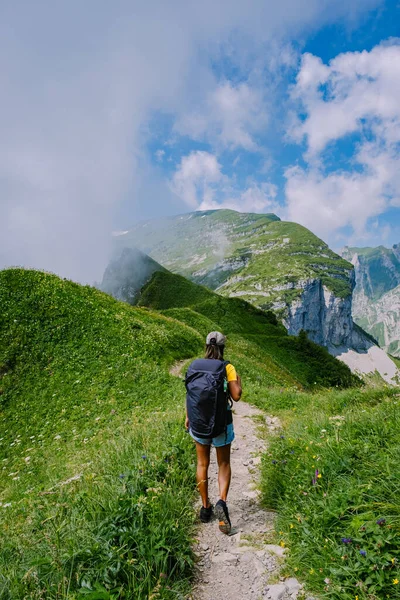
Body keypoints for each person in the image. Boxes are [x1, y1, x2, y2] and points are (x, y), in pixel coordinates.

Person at [185, 331, 242, 534]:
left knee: (202, 463)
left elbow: (190, 394)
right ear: (223, 347)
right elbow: (236, 396)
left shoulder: (195, 366)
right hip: (221, 422)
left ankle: (205, 507)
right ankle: (222, 502)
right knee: (223, 463)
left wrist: (188, 417)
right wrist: (238, 380)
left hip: (198, 422)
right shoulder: (227, 367)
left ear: (206, 346)